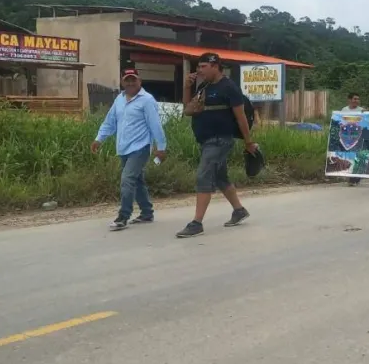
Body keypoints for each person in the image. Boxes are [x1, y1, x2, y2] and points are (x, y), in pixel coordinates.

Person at [177, 53, 256, 238]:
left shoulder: (229, 87)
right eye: (199, 67)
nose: (199, 70)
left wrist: (248, 141)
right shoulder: (204, 86)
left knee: (203, 176)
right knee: (220, 177)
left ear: (215, 66)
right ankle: (239, 210)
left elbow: (241, 116)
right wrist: (187, 87)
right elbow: (188, 108)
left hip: (220, 140)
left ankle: (196, 223)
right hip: (206, 140)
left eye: (203, 66)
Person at [92, 69, 168, 231]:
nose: (131, 83)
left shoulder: (147, 100)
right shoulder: (119, 99)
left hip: (140, 148)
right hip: (123, 148)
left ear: (139, 81)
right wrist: (99, 138)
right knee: (137, 181)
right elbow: (110, 122)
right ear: (122, 82)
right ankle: (147, 213)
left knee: (127, 180)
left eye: (134, 80)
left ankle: (123, 216)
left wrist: (161, 147)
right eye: (127, 80)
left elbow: (155, 125)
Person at [340, 92, 365, 187]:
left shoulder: (362, 110)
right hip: (347, 138)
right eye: (355, 99)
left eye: (358, 99)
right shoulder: (344, 110)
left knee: (357, 157)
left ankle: (356, 178)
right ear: (349, 100)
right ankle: (351, 178)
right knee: (349, 157)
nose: (356, 101)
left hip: (358, 137)